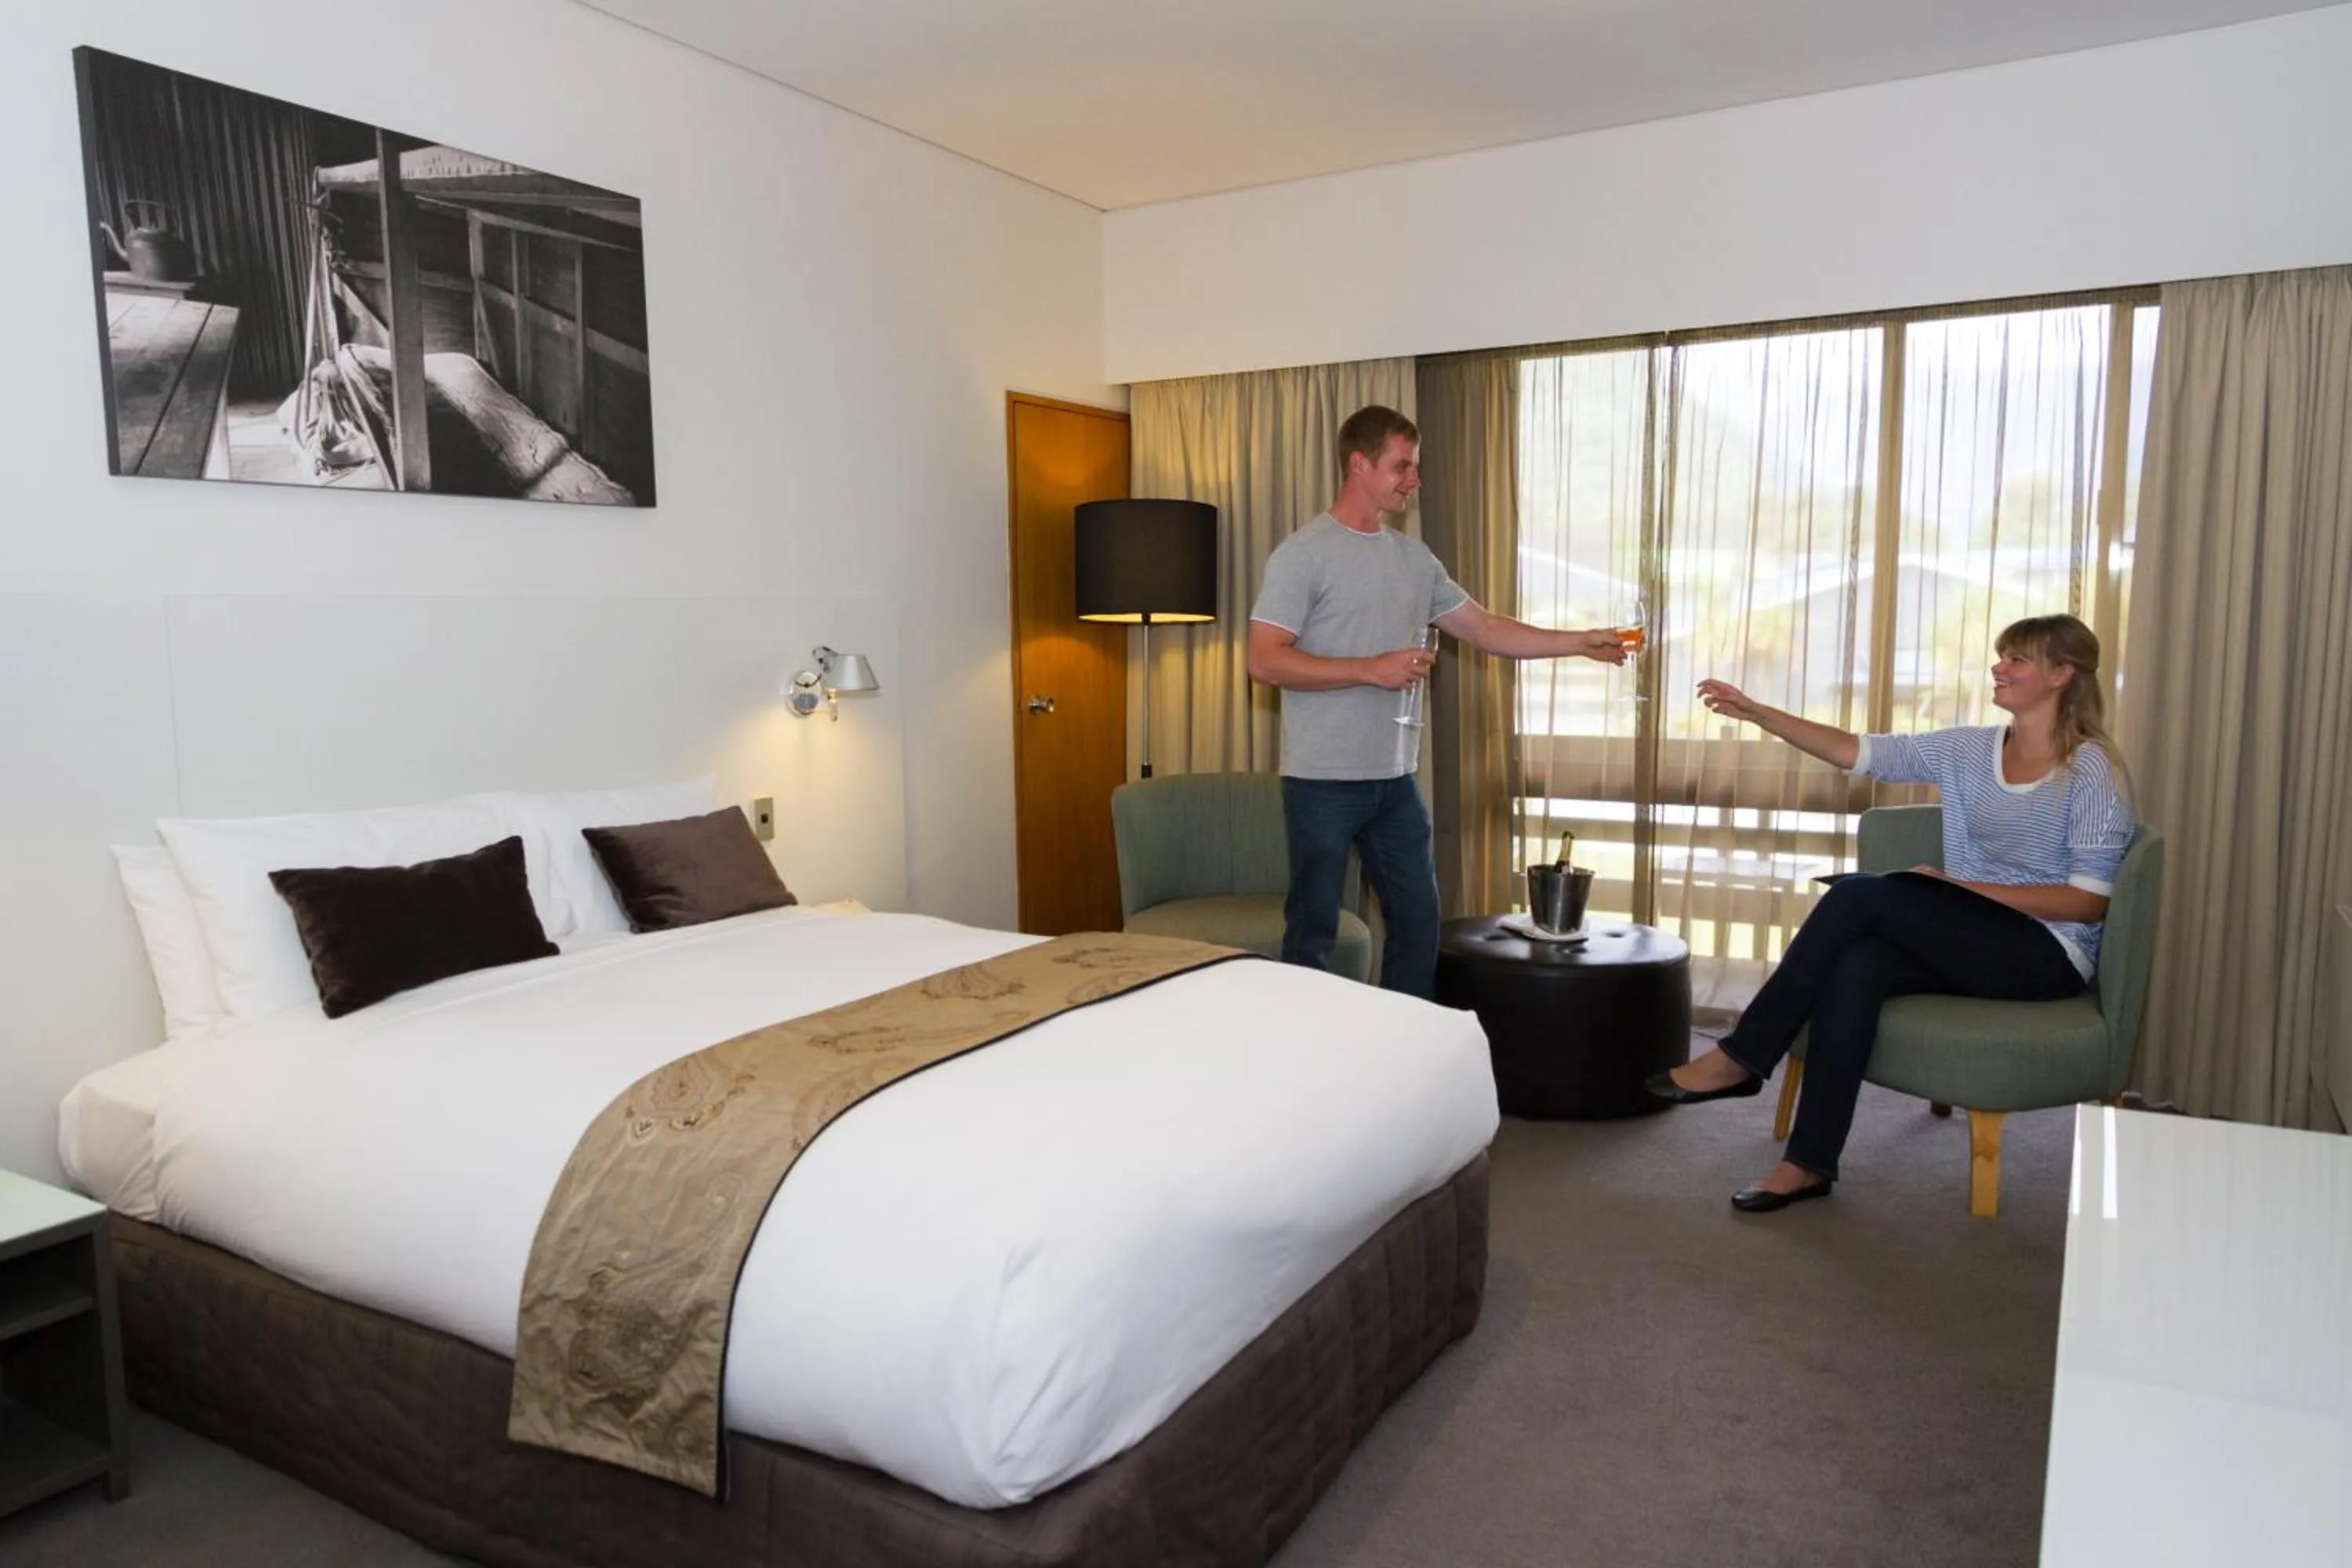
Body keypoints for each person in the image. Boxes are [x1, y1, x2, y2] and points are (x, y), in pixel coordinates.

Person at [1646, 613, 2138, 1211]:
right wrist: (1760, 713)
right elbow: (1862, 753)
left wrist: (1967, 889)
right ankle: (1807, 1163)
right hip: (1973, 938)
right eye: (2001, 655)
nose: (1998, 668)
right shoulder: (1969, 749)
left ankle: (1744, 1055)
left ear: (2062, 675)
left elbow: (2089, 900)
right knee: (1858, 963)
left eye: (2018, 660)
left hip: (2048, 954)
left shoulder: (2091, 772)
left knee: (1857, 896)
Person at [1246, 404, 1627, 1000]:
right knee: (1312, 931)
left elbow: (1487, 630)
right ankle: (1307, 1051)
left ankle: (1406, 1045)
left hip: (1396, 783)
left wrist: (1579, 642)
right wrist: (1372, 670)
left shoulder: (1414, 559)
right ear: (1358, 464)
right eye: (1402, 466)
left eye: (1414, 467)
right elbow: (1264, 659)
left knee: (1419, 923)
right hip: (1322, 782)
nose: (1412, 479)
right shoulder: (1304, 554)